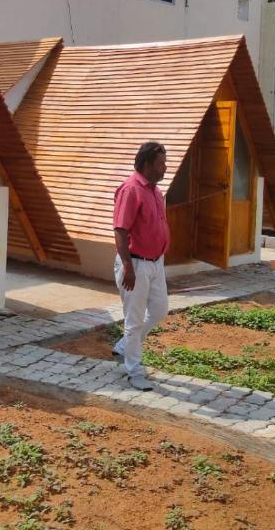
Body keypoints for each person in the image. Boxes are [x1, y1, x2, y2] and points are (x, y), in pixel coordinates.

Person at [112, 141, 171, 391]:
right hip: (135, 264)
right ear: (147, 164)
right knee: (134, 321)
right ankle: (134, 370)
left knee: (159, 310)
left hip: (156, 263)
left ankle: (125, 345)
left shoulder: (155, 191)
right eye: (161, 164)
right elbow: (120, 230)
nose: (165, 168)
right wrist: (128, 266)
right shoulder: (131, 189)